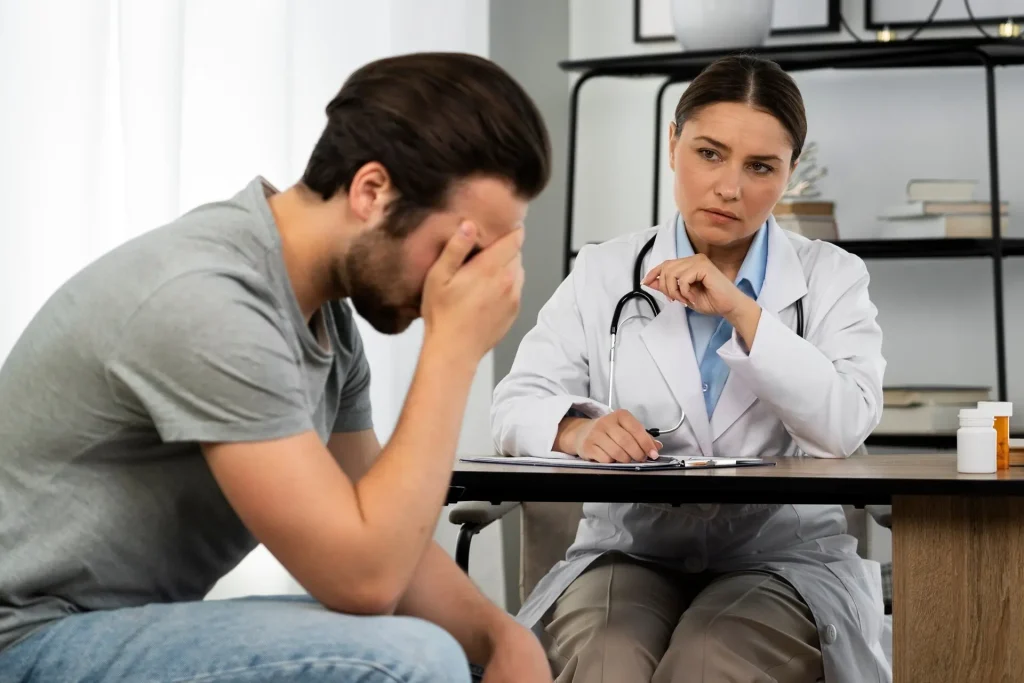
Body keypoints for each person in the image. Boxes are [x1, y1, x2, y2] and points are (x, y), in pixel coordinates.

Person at [0, 52, 554, 683]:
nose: (464, 282)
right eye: (463, 248)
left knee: (450, 644)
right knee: (413, 660)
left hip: (120, 626)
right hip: (25, 637)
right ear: (372, 192)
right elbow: (365, 578)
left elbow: (391, 546)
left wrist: (502, 636)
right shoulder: (209, 300)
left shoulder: (326, 320)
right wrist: (455, 349)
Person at [491, 55, 889, 683]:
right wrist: (576, 428)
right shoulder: (603, 272)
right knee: (607, 659)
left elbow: (846, 425)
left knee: (711, 658)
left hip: (781, 558)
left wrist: (743, 312)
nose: (729, 188)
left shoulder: (830, 277)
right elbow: (516, 403)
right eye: (709, 153)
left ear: (789, 174)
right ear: (672, 142)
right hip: (629, 550)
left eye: (760, 167)